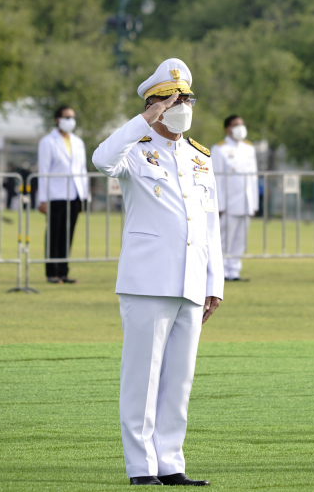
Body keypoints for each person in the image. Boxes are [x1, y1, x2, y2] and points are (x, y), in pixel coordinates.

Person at [92, 58, 222, 486]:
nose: (183, 105)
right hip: (147, 281)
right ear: (154, 105)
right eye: (173, 99)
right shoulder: (134, 150)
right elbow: (101, 160)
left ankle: (171, 463)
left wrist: (214, 283)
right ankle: (141, 468)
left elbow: (210, 223)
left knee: (178, 382)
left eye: (187, 98)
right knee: (142, 380)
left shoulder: (200, 156)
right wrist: (141, 122)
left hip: (190, 281)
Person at [37, 106, 90, 284]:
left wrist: (84, 196)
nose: (71, 120)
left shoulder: (78, 142)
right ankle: (52, 273)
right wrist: (42, 199)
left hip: (74, 194)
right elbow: (43, 172)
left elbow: (82, 170)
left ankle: (64, 272)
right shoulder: (47, 142)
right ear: (57, 119)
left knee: (68, 235)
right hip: (55, 195)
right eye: (67, 117)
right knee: (54, 235)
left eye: (73, 117)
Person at [212, 115, 258, 281]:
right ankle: (221, 272)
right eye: (236, 125)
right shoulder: (219, 149)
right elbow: (217, 179)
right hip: (228, 204)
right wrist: (219, 205)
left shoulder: (249, 148)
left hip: (245, 203)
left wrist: (254, 204)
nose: (240, 127)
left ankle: (234, 271)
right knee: (225, 240)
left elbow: (253, 178)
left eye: (242, 124)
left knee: (240, 240)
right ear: (227, 129)